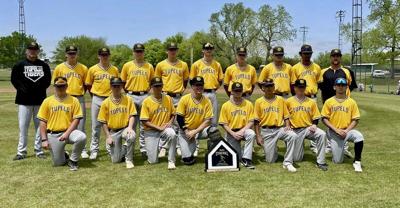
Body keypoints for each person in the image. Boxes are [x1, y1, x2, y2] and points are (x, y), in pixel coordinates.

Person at [11, 41, 51, 160]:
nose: (32, 51)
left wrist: (38, 88)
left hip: (40, 100)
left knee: (40, 127)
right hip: (24, 101)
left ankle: (39, 151)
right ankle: (21, 152)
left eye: (35, 49)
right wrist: (22, 89)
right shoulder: (19, 65)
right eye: (30, 49)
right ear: (26, 51)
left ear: (38, 51)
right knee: (23, 127)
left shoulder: (44, 65)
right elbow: (14, 79)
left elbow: (47, 80)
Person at [38, 77, 86, 171]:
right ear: (54, 87)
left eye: (63, 86)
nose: (60, 88)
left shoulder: (74, 100)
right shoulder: (47, 101)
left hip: (69, 132)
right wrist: (44, 139)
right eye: (58, 86)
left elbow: (76, 119)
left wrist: (67, 133)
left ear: (67, 86)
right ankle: (64, 155)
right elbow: (42, 121)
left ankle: (73, 160)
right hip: (53, 134)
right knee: (58, 163)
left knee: (81, 137)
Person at [52, 45, 89, 158]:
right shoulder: (59, 67)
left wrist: (81, 93)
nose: (72, 55)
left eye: (74, 53)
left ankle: (82, 149)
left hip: (79, 97)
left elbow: (86, 84)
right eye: (70, 53)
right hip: (64, 98)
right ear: (66, 54)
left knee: (81, 124)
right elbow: (56, 84)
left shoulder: (83, 68)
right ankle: (61, 148)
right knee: (63, 123)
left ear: (77, 54)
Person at [254, 78, 298, 172]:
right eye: (266, 86)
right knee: (270, 161)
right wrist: (258, 136)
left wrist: (287, 126)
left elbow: (286, 116)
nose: (269, 88)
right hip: (266, 131)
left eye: (271, 86)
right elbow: (256, 121)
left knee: (292, 135)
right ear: (263, 88)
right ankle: (274, 150)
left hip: (279, 129)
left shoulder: (280, 99)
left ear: (274, 87)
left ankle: (288, 162)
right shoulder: (258, 101)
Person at [321, 78, 364, 172]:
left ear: (346, 87)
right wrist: (336, 130)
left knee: (359, 136)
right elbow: (324, 119)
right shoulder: (329, 101)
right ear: (334, 87)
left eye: (343, 85)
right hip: (334, 132)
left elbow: (355, 119)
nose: (340, 87)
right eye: (338, 85)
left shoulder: (351, 102)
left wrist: (346, 131)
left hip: (347, 131)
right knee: (338, 161)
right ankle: (336, 147)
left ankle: (357, 162)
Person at [120, 43, 154, 159]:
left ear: (143, 52)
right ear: (133, 52)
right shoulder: (127, 65)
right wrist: (129, 93)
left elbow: (151, 82)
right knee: (130, 124)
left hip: (144, 95)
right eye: (137, 51)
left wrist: (144, 91)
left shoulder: (149, 66)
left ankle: (143, 148)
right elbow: (123, 82)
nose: (139, 53)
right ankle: (130, 148)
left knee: (144, 124)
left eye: (141, 51)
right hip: (131, 95)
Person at [155, 42, 189, 156]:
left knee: (179, 123)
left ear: (177, 51)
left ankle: (178, 146)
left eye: (174, 49)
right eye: (170, 49)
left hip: (178, 97)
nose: (172, 51)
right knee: (165, 122)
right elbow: (157, 81)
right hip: (165, 96)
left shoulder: (183, 65)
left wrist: (180, 91)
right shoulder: (160, 65)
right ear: (167, 51)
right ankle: (164, 146)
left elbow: (185, 81)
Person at [85, 47, 119, 160]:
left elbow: (117, 85)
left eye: (106, 55)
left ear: (109, 56)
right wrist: (94, 96)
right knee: (96, 126)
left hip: (110, 100)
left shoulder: (114, 69)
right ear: (98, 56)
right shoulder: (93, 69)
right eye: (102, 55)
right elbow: (89, 85)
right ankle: (94, 150)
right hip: (97, 98)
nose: (104, 57)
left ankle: (110, 148)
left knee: (110, 126)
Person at [286, 79, 328, 171]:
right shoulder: (288, 101)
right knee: (297, 159)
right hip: (295, 130)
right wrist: (287, 125)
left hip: (308, 129)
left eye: (303, 87)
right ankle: (294, 150)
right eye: (299, 87)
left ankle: (321, 162)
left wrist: (314, 125)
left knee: (322, 134)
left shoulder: (311, 102)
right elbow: (285, 116)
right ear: (295, 88)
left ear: (305, 88)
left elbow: (316, 116)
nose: (301, 89)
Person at [319, 49, 354, 156]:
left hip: (343, 102)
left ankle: (345, 146)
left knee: (344, 123)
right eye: (334, 56)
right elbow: (320, 86)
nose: (336, 58)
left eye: (338, 56)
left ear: (340, 57)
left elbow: (351, 86)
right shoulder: (323, 72)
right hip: (328, 102)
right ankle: (330, 145)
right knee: (329, 123)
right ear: (330, 57)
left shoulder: (347, 71)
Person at [176, 76, 217, 165]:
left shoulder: (207, 101)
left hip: (199, 130)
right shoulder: (185, 99)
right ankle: (188, 153)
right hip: (185, 132)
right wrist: (187, 131)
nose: (199, 87)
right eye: (196, 85)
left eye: (201, 85)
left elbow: (208, 120)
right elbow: (179, 118)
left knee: (214, 131)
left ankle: (213, 155)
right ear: (192, 86)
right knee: (188, 160)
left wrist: (195, 132)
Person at [97, 77, 136, 169]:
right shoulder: (105, 102)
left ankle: (129, 160)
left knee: (131, 135)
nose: (116, 88)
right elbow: (103, 121)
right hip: (113, 131)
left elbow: (132, 115)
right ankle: (125, 148)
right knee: (116, 160)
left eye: (118, 86)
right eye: (114, 86)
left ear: (122, 86)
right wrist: (108, 136)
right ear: (110, 86)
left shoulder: (128, 99)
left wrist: (130, 128)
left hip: (125, 128)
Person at [140, 77, 177, 170]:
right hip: (151, 131)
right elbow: (144, 120)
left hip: (164, 129)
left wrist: (170, 122)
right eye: (155, 86)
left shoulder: (168, 98)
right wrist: (158, 127)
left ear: (162, 86)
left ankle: (171, 161)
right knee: (153, 161)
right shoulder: (146, 101)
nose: (158, 88)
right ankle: (160, 146)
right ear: (151, 87)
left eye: (160, 86)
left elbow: (173, 113)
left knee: (172, 133)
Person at [219, 82, 256, 169]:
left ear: (242, 91)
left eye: (239, 91)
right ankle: (242, 154)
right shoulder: (226, 105)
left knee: (251, 133)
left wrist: (241, 131)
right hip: (231, 132)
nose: (238, 92)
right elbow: (224, 124)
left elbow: (251, 121)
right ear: (231, 91)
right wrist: (233, 134)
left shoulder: (248, 104)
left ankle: (247, 159)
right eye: (236, 91)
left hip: (244, 130)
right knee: (236, 158)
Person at [190, 42, 223, 127]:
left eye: (210, 49)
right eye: (206, 48)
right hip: (200, 94)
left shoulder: (217, 64)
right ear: (203, 50)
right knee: (199, 118)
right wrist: (196, 92)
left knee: (213, 121)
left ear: (213, 50)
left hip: (212, 93)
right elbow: (191, 80)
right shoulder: (196, 64)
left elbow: (220, 80)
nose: (208, 50)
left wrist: (214, 88)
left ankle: (212, 139)